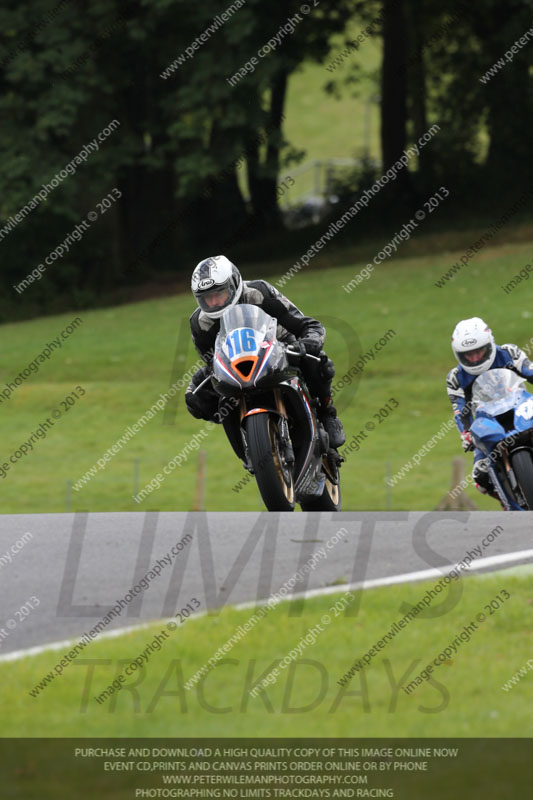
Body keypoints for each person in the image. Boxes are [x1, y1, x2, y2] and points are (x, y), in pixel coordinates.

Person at [185, 255, 346, 456]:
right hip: (236, 367)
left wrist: (309, 341)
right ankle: (247, 448)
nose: (215, 302)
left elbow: (304, 323)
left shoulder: (259, 292)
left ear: (234, 284)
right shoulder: (200, 324)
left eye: (219, 293)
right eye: (207, 298)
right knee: (196, 397)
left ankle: (327, 412)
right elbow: (211, 362)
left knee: (318, 361)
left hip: (280, 349)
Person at [447, 317, 533, 499]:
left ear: (490, 344)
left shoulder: (509, 353)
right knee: (481, 476)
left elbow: (530, 372)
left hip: (520, 406)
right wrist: (466, 434)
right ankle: (508, 505)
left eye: (479, 352)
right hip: (487, 421)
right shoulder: (455, 378)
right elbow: (460, 411)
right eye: (468, 355)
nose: (475, 358)